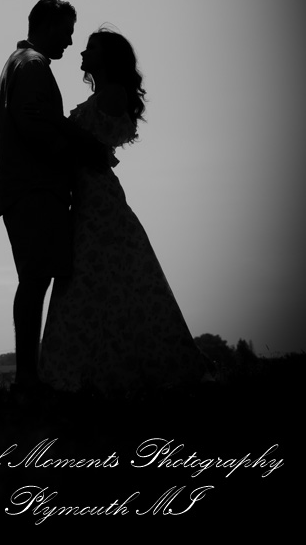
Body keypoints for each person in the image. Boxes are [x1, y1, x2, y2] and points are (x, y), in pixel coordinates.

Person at [40, 27, 208, 396]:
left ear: (109, 58)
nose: (82, 53)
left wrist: (62, 130)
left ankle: (100, 368)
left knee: (95, 276)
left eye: (91, 48)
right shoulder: (103, 94)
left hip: (98, 198)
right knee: (93, 278)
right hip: (86, 196)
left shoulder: (112, 94)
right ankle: (91, 368)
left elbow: (96, 145)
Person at [0, 0, 107, 397]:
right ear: (43, 26)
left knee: (36, 279)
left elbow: (48, 120)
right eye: (65, 31)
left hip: (28, 187)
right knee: (35, 280)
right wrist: (73, 157)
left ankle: (33, 372)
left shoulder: (24, 63)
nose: (70, 40)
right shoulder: (32, 65)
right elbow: (34, 122)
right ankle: (26, 377)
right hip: (33, 188)